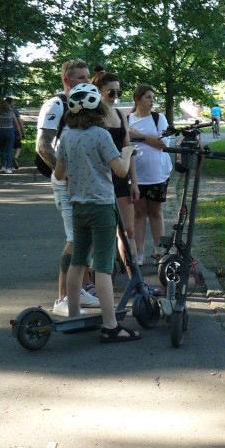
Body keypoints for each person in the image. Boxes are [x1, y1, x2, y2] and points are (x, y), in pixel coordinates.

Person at [54, 83, 139, 342]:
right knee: (101, 265)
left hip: (78, 205)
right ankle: (110, 325)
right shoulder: (101, 135)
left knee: (78, 260)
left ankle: (73, 316)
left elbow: (59, 174)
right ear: (98, 109)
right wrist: (127, 152)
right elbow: (121, 171)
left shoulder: (67, 135)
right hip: (102, 205)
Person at [37, 60, 101, 317]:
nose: (88, 82)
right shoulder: (56, 105)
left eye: (88, 77)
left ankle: (80, 290)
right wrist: (64, 175)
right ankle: (62, 298)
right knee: (75, 238)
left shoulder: (87, 103)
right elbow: (43, 146)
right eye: (81, 78)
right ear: (67, 80)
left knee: (88, 236)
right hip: (67, 181)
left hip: (84, 179)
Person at [92, 71, 139, 275]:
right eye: (111, 92)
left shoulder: (120, 114)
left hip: (121, 177)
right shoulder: (92, 116)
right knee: (102, 232)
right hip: (100, 179)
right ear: (99, 92)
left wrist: (134, 182)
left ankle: (135, 279)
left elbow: (128, 149)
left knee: (128, 231)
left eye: (119, 92)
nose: (115, 97)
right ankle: (100, 278)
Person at [127, 84, 170, 266]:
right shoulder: (128, 119)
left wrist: (140, 136)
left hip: (157, 174)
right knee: (138, 213)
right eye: (148, 97)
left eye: (153, 98)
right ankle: (139, 252)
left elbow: (163, 144)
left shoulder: (158, 118)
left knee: (155, 211)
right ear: (137, 99)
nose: (152, 101)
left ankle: (160, 251)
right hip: (135, 176)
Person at [0, 99, 18, 173]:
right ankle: (8, 167)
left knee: (2, 151)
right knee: (9, 150)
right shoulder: (11, 113)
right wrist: (20, 133)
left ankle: (3, 166)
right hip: (10, 131)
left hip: (0, 131)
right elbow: (17, 124)